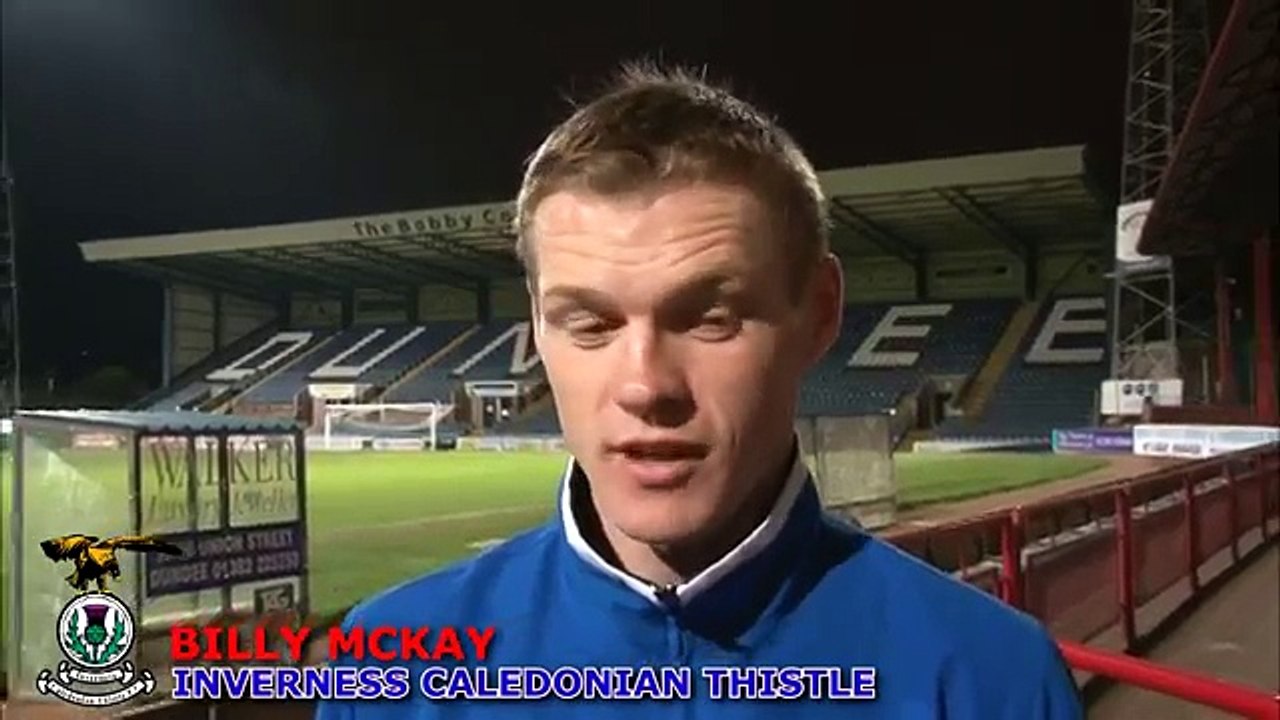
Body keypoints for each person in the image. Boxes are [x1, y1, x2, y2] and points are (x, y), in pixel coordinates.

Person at [315, 62, 1083, 719]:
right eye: (590, 324)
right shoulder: (393, 668)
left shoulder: (992, 680)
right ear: (539, 329)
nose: (646, 385)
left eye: (711, 318)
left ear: (819, 315)